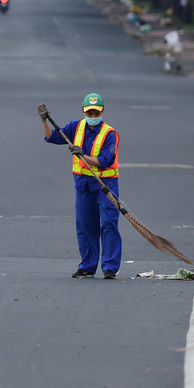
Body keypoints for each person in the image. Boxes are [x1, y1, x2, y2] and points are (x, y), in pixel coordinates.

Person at [39, 93, 122, 278]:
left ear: (101, 112)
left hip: (105, 185)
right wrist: (44, 121)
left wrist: (83, 156)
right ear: (83, 111)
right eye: (89, 113)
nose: (92, 117)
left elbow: (105, 161)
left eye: (96, 113)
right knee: (85, 225)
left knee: (108, 223)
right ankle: (87, 266)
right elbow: (53, 136)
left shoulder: (109, 134)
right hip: (83, 185)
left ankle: (109, 267)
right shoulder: (76, 127)